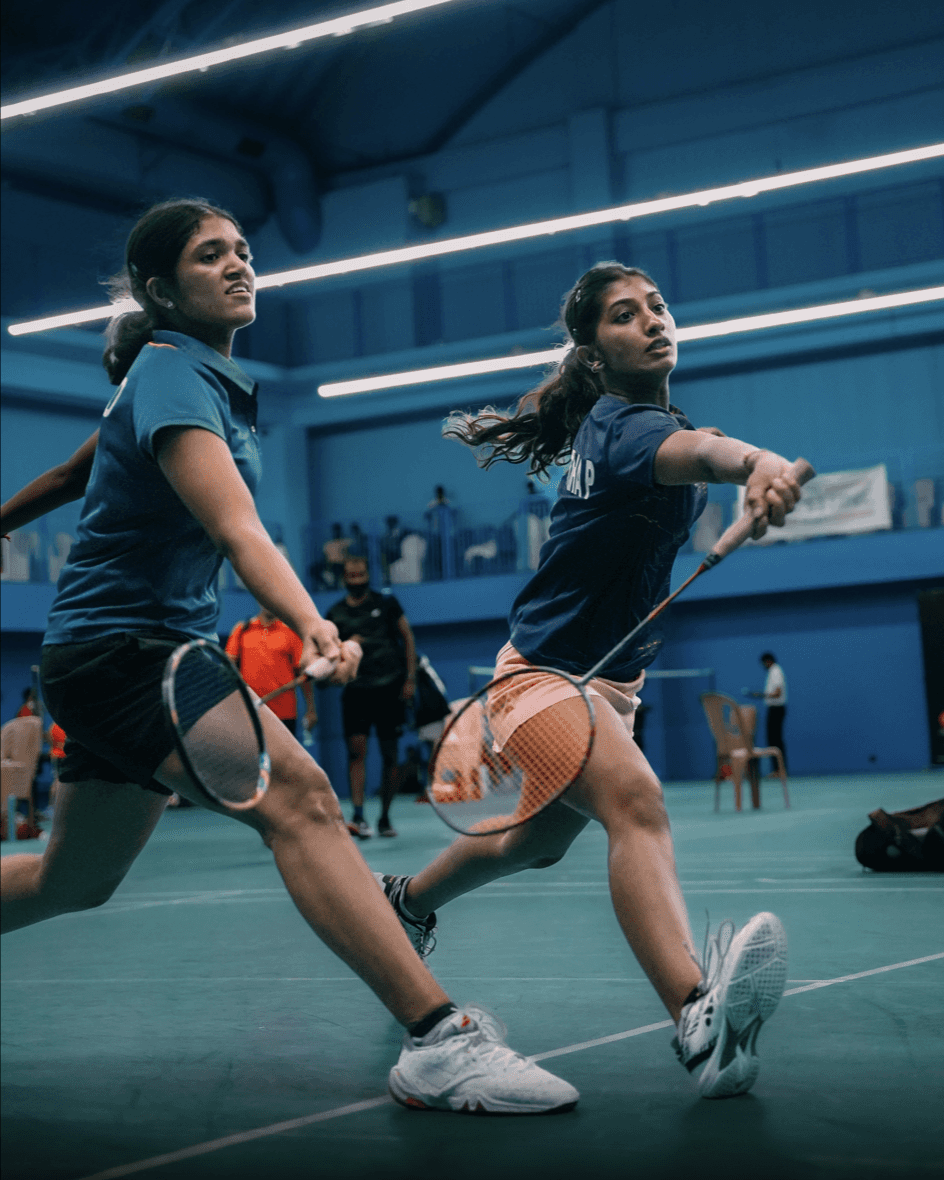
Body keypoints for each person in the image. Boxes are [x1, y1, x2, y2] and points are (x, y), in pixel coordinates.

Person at [0, 198, 577, 1116]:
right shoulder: (171, 374)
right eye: (207, 257)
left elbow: (79, 473)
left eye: (241, 251)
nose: (238, 266)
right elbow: (236, 529)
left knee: (74, 879)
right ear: (161, 290)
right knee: (304, 799)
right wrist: (313, 622)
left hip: (105, 652)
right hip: (130, 650)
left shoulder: (174, 377)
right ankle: (438, 1040)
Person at [374, 260, 803, 1100]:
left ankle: (405, 903)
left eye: (657, 306)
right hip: (541, 681)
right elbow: (707, 452)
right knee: (635, 805)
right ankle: (695, 1016)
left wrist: (746, 481)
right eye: (623, 315)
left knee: (534, 840)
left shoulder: (641, 426)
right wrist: (758, 461)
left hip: (607, 687)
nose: (651, 321)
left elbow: (691, 457)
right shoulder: (625, 429)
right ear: (594, 355)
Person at [327, 555, 418, 839]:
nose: (357, 580)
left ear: (368, 575)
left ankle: (385, 817)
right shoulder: (335, 614)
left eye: (361, 574)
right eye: (351, 576)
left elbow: (408, 637)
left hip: (390, 688)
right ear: (344, 579)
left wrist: (410, 677)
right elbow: (329, 654)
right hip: (356, 692)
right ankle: (357, 816)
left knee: (390, 756)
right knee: (357, 752)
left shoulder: (387, 604)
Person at [225, 607, 317, 737]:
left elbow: (303, 674)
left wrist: (311, 709)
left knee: (283, 757)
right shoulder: (242, 629)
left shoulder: (290, 632)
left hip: (284, 713)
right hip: (251, 712)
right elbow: (228, 665)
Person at [750, 651, 787, 775]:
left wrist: (760, 694)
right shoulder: (774, 671)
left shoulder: (776, 671)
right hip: (774, 708)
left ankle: (779, 769)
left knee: (775, 740)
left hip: (776, 709)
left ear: (768, 661)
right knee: (773, 740)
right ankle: (778, 769)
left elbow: (777, 693)